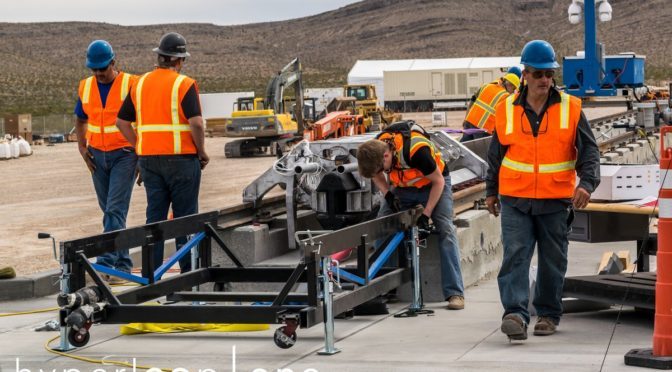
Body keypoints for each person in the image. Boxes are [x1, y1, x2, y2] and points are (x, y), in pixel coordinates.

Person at [485, 40, 600, 340]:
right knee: (516, 256)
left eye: (549, 74)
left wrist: (586, 184)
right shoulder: (505, 108)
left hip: (555, 199)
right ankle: (515, 314)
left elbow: (589, 151)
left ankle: (548, 314)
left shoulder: (571, 108)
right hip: (515, 198)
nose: (545, 80)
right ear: (525, 74)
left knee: (553, 260)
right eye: (538, 74)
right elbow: (495, 154)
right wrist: (491, 191)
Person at [116, 32, 209, 274]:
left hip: (149, 162)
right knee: (185, 221)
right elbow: (197, 123)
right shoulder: (184, 84)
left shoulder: (140, 83)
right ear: (179, 60)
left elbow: (122, 122)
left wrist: (140, 145)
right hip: (182, 161)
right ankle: (189, 277)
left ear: (159, 57)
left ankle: (150, 277)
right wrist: (202, 151)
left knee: (154, 221)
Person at [357, 121, 465, 310]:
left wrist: (426, 214)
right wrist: (388, 194)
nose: (383, 173)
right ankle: (385, 286)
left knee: (445, 229)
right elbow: (375, 173)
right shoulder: (376, 147)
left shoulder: (417, 151)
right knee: (382, 226)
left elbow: (438, 182)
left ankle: (455, 293)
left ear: (386, 155)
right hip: (404, 188)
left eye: (383, 168)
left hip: (433, 186)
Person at [75, 40, 138, 282]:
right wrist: (82, 147)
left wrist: (141, 153)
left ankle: (105, 264)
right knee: (112, 213)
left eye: (103, 68)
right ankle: (123, 267)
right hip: (96, 156)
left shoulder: (130, 84)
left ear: (113, 62)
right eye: (94, 69)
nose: (99, 74)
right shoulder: (86, 87)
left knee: (114, 209)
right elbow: (80, 119)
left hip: (124, 154)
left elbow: (142, 120)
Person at [460, 72, 520, 142]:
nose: (512, 92)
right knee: (480, 151)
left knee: (464, 147)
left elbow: (472, 101)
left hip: (469, 122)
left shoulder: (486, 86)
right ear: (509, 85)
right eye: (513, 89)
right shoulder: (505, 96)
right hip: (483, 128)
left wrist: (466, 118)